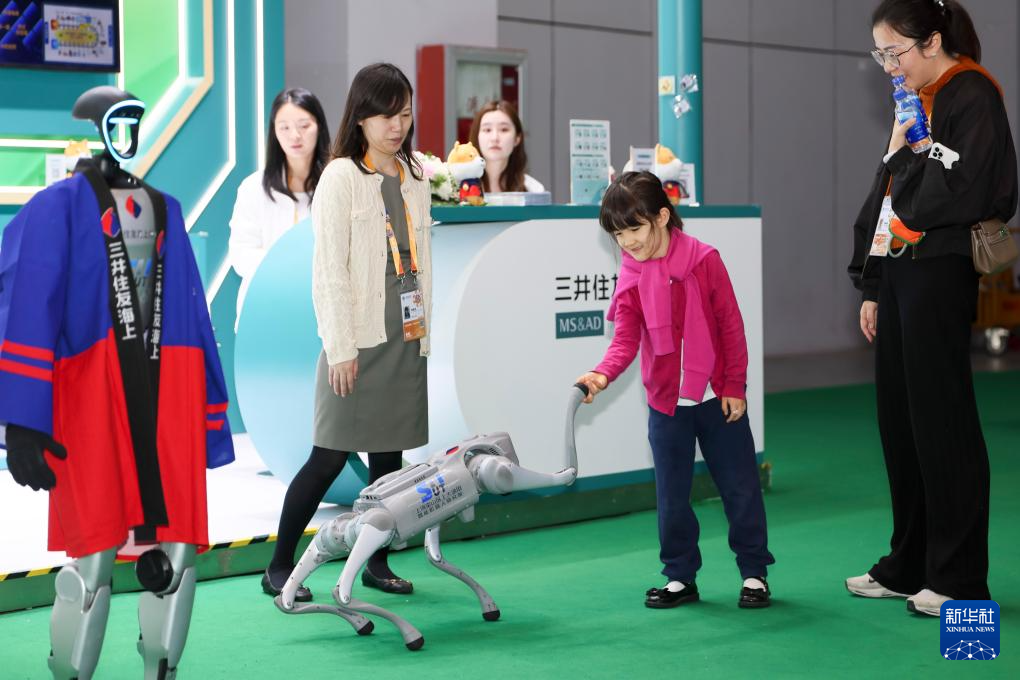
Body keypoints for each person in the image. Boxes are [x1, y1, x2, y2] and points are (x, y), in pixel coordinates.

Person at [846, 0, 1017, 616]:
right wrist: (871, 281)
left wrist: (902, 153)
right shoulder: (914, 99)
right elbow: (889, 193)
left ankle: (959, 577)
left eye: (895, 53)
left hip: (939, 270)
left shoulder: (973, 93)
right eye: (881, 56)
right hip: (898, 269)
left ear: (932, 41)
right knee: (901, 421)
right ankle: (909, 563)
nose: (890, 66)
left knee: (943, 421)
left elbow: (966, 188)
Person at [261, 63, 433, 601]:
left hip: (405, 331)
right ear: (360, 117)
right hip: (357, 336)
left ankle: (377, 562)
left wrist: (423, 334)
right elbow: (329, 271)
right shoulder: (339, 176)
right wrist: (339, 347)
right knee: (329, 455)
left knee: (389, 461)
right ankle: (279, 564)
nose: (396, 126)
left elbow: (419, 259)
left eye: (405, 114)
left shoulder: (417, 175)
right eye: (386, 116)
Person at [576, 172, 774, 609]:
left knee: (740, 487)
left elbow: (731, 326)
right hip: (667, 404)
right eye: (617, 234)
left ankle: (754, 572)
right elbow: (625, 340)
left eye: (634, 228)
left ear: (662, 217)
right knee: (671, 496)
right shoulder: (631, 273)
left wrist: (734, 384)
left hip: (718, 398)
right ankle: (680, 576)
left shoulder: (705, 259)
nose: (627, 242)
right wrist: (601, 375)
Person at [228, 87, 330, 319]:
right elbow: (241, 254)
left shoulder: (335, 185)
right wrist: (288, 265)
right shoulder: (253, 188)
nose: (295, 135)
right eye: (284, 127)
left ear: (319, 126)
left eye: (304, 126)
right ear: (274, 131)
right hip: (265, 309)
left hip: (320, 313)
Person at [468, 100, 545, 193]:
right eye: (487, 130)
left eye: (504, 129)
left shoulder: (533, 189)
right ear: (477, 136)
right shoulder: (458, 187)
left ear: (517, 138)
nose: (494, 138)